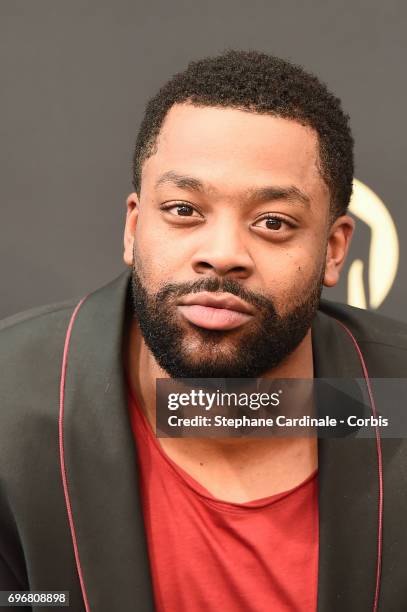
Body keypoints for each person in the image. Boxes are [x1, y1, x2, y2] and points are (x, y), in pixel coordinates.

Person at [0, 50, 406, 612]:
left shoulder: (393, 400)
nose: (221, 256)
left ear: (334, 250)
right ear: (134, 225)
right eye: (184, 210)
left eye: (273, 223)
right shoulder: (10, 402)